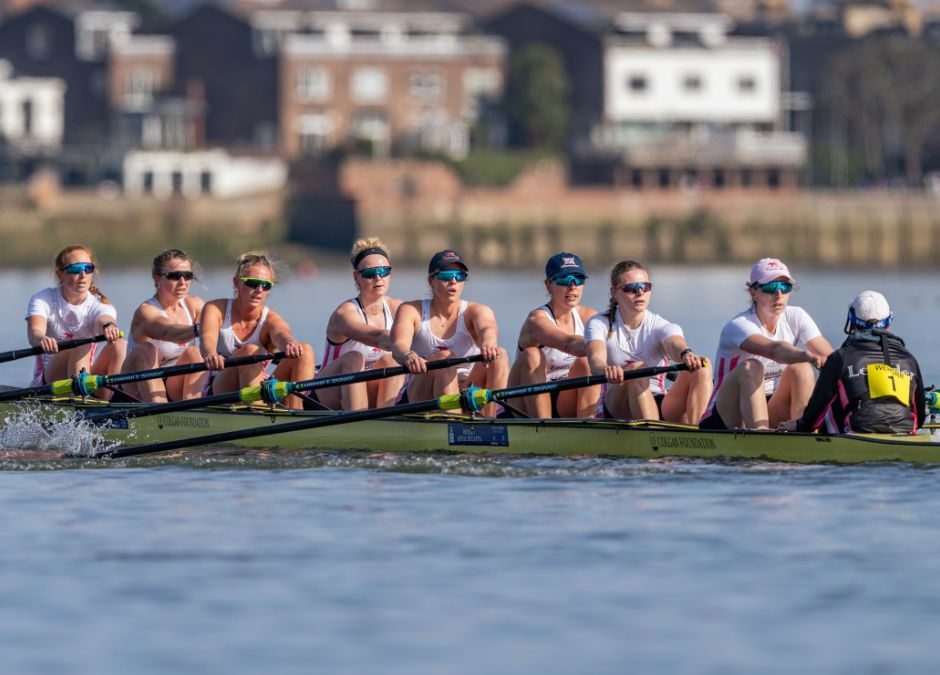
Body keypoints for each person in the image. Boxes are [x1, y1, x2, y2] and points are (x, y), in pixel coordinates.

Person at [700, 257, 834, 430]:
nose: (778, 294)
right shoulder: (739, 326)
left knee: (801, 369)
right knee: (752, 367)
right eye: (771, 287)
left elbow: (832, 358)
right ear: (753, 292)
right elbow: (774, 351)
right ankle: (760, 436)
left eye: (785, 287)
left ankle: (804, 431)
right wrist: (807, 356)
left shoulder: (796, 316)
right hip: (726, 415)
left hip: (772, 406)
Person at [778, 291, 925, 434]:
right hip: (904, 431)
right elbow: (920, 417)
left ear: (852, 322)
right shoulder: (909, 359)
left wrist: (800, 425)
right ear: (888, 322)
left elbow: (816, 411)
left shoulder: (840, 358)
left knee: (828, 406)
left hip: (856, 433)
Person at [585, 260, 711, 423]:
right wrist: (606, 369)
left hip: (657, 402)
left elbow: (675, 344)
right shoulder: (599, 323)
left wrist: (686, 354)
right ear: (614, 292)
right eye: (631, 288)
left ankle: (701, 430)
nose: (639, 292)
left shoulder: (661, 326)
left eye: (645, 287)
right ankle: (654, 433)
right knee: (637, 369)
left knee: (703, 365)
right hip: (618, 403)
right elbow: (596, 362)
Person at [390, 249, 508, 417]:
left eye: (459, 276)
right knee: (444, 357)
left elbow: (487, 329)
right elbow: (398, 345)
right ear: (431, 280)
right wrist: (409, 356)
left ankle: (491, 421)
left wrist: (489, 343)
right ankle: (453, 422)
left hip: (467, 389)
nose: (453, 281)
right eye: (446, 276)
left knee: (500, 355)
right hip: (421, 392)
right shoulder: (411, 310)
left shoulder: (477, 310)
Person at [199, 252, 315, 410]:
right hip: (221, 389)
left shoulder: (271, 319)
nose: (259, 290)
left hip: (258, 386)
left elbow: (281, 334)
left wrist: (290, 343)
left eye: (266, 285)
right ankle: (259, 413)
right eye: (253, 283)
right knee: (250, 351)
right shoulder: (216, 309)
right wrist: (211, 353)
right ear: (236, 282)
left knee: (305, 350)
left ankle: (296, 412)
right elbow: (207, 339)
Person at [25, 245, 126, 398]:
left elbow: (104, 319)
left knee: (120, 345)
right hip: (48, 383)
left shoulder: (100, 305)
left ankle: (114, 400)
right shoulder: (43, 299)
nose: (83, 274)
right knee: (81, 344)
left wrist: (109, 326)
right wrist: (41, 339)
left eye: (88, 268)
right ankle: (80, 401)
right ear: (60, 274)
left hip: (86, 377)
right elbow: (34, 333)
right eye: (75, 269)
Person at [507, 252, 600, 418]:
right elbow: (568, 344)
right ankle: (542, 424)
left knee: (586, 362)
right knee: (532, 354)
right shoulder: (537, 320)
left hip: (564, 397)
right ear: (548, 284)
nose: (572, 286)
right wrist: (600, 346)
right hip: (526, 399)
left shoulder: (590, 316)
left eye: (578, 279)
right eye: (564, 279)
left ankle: (587, 423)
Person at [314, 238, 403, 410]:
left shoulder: (398, 308)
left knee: (391, 361)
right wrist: (405, 347)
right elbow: (376, 337)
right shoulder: (345, 313)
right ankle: (358, 419)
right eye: (370, 273)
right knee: (354, 358)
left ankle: (388, 417)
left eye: (383, 271)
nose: (378, 278)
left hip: (368, 388)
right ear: (357, 277)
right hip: (328, 393)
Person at [121, 249, 205, 403]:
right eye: (174, 276)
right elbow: (168, 332)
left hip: (173, 382)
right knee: (146, 349)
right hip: (137, 385)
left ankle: (194, 408)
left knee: (194, 353)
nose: (182, 282)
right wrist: (200, 329)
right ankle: (158, 408)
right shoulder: (145, 311)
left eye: (187, 275)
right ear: (157, 277)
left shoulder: (194, 304)